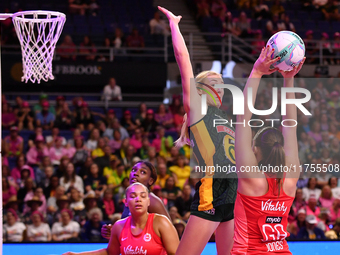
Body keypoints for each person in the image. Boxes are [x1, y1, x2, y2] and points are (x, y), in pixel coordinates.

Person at [158, 6, 237, 255]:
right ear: (200, 89)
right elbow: (183, 62)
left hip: (232, 196)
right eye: (215, 83)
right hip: (210, 195)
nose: (221, 87)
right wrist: (175, 25)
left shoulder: (224, 117)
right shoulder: (197, 110)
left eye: (223, 83)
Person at [231, 47, 305, 254]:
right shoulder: (290, 178)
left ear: (255, 150)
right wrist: (288, 79)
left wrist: (257, 72)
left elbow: (243, 118)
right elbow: (290, 124)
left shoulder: (251, 179)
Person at [62, 182, 179, 255]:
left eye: (143, 196)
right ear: (126, 202)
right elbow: (110, 253)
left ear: (148, 201)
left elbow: (178, 253)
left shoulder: (161, 222)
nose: (138, 199)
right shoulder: (119, 226)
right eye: (133, 196)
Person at [100, 161, 170, 239]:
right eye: (133, 170)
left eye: (143, 172)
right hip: (132, 250)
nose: (135, 173)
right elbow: (129, 233)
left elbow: (170, 234)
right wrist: (113, 232)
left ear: (150, 181)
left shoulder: (153, 201)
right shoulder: (130, 198)